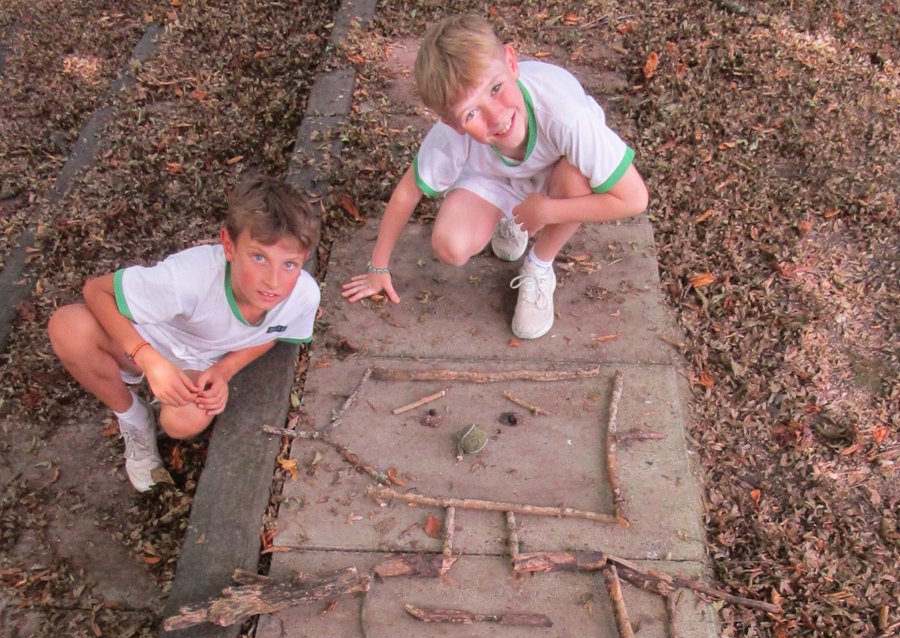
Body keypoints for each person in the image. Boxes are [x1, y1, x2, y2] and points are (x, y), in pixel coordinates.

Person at [342, 13, 648, 340]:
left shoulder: (566, 114)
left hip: (556, 172)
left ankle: (539, 265)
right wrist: (378, 267)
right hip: (493, 177)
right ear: (452, 123)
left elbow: (634, 199)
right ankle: (510, 217)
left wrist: (547, 211)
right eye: (471, 113)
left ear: (512, 63)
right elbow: (408, 191)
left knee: (577, 180)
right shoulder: (449, 136)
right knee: (450, 246)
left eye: (496, 88)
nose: (496, 116)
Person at [49, 175, 320, 492]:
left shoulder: (303, 296)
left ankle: (159, 408)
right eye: (259, 257)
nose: (273, 281)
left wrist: (224, 369)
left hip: (198, 364)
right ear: (229, 245)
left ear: (304, 259)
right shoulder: (187, 278)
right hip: (151, 338)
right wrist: (149, 360)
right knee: (68, 327)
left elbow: (274, 333)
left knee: (182, 422)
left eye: (289, 264)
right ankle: (133, 418)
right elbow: (96, 291)